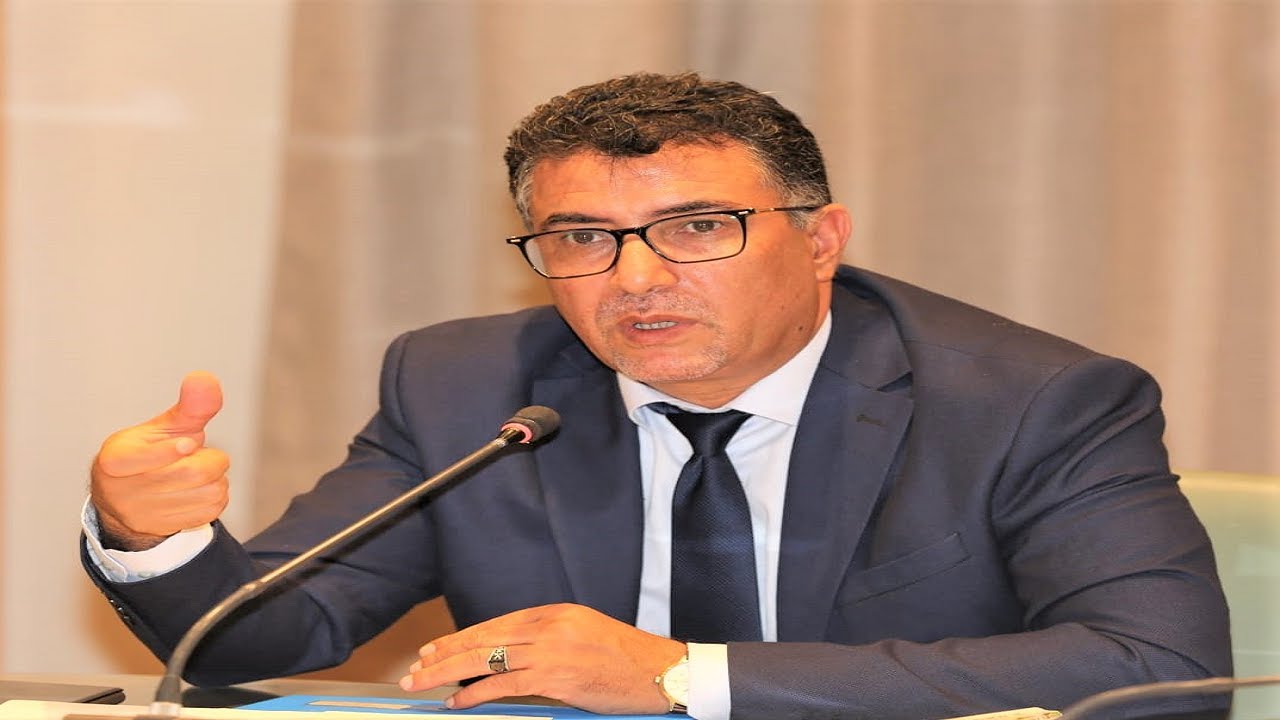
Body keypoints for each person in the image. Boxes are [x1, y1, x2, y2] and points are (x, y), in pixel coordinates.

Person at [83, 72, 1230, 720]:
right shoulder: (462, 388)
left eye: (695, 227)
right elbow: (258, 637)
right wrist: (149, 537)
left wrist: (680, 675)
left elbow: (1163, 673)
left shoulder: (1032, 402)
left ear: (819, 239)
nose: (633, 279)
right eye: (582, 237)